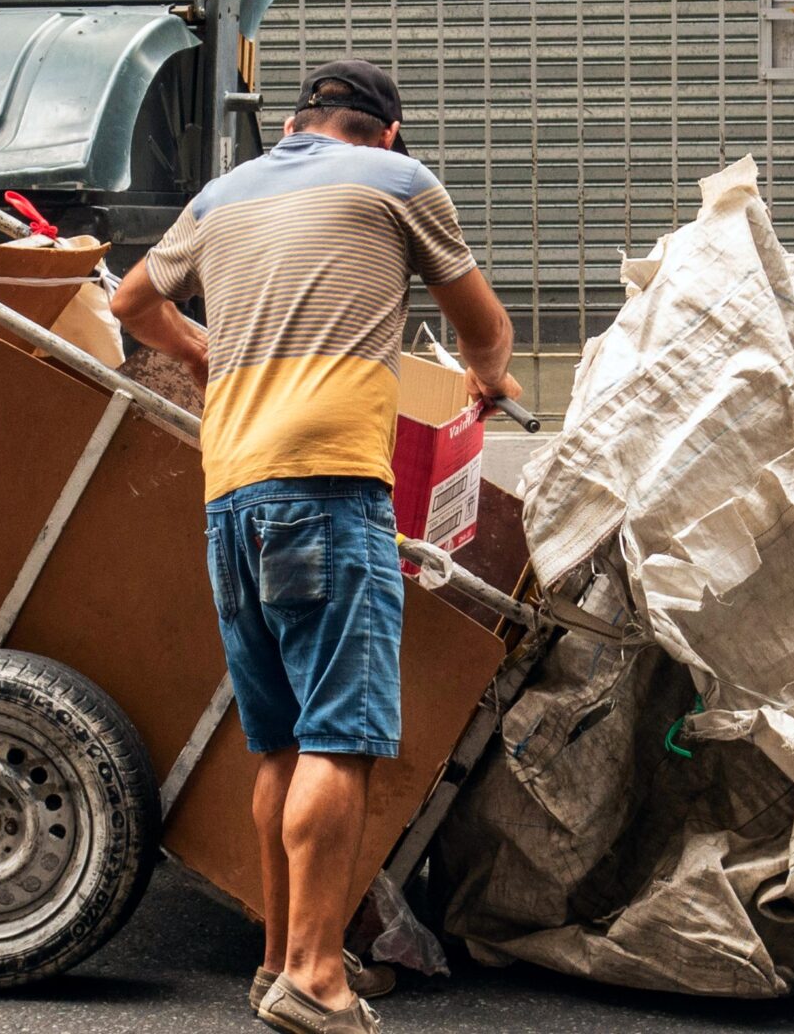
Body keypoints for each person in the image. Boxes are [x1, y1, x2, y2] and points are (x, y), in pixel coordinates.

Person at [109, 58, 521, 1034]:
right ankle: (315, 980)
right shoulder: (398, 182)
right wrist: (487, 379)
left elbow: (131, 304)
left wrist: (207, 350)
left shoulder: (221, 196)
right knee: (342, 737)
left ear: (298, 124)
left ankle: (280, 960)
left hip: (235, 498)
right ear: (384, 132)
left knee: (282, 744)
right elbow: (485, 324)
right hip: (327, 491)